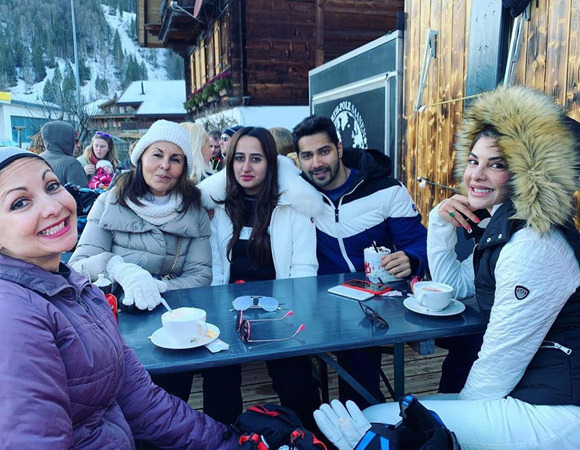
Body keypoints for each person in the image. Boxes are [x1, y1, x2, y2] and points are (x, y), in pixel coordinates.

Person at [315, 85, 580, 449]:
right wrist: (439, 223)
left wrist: (446, 436)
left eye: (497, 164)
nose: (476, 175)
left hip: (556, 412)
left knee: (374, 422)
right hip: (531, 392)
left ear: (531, 173)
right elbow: (453, 285)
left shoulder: (533, 245)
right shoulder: (512, 230)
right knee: (386, 415)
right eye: (473, 161)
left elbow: (495, 370)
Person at [0, 146, 237, 449]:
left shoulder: (78, 291)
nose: (52, 206)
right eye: (20, 203)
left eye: (52, 186)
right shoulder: (0, 317)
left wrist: (229, 442)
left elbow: (139, 400)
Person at [68, 120, 213, 418]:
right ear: (141, 157)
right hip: (117, 326)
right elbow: (78, 268)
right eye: (157, 155)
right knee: (127, 412)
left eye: (175, 159)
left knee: (171, 406)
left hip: (172, 323)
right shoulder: (109, 201)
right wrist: (117, 268)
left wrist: (161, 287)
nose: (164, 166)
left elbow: (201, 275)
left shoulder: (194, 209)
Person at [292, 115, 428, 406]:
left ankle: (364, 422)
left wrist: (412, 258)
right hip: (320, 303)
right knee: (291, 363)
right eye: (307, 155)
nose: (316, 163)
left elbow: (419, 241)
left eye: (324, 151)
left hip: (379, 300)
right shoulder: (297, 195)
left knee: (357, 358)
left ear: (339, 148)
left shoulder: (385, 189)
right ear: (298, 159)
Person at [198, 126, 324, 429]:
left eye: (256, 159)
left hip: (281, 308)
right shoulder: (216, 205)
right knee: (219, 377)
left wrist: (291, 318)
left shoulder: (293, 204)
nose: (246, 167)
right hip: (227, 309)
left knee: (296, 378)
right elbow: (215, 268)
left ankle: (308, 438)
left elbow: (304, 269)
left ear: (270, 163)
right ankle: (224, 440)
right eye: (239, 158)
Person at [40, 120, 88, 187]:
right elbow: (84, 196)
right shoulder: (72, 165)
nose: (78, 145)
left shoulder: (38, 159)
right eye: (75, 141)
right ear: (67, 141)